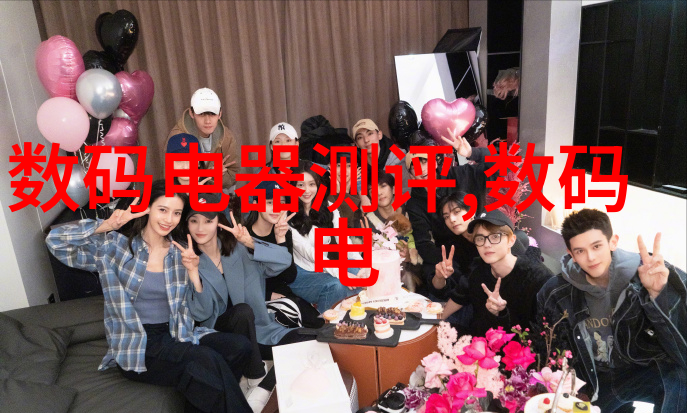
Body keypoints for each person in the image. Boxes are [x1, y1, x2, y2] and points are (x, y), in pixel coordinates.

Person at [46, 180, 251, 413]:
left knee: (240, 347)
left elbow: (201, 312)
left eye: (176, 213)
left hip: (177, 332)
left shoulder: (180, 252)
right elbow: (56, 241)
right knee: (205, 359)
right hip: (139, 342)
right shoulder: (116, 248)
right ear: (148, 208)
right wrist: (106, 225)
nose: (169, 219)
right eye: (162, 209)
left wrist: (194, 273)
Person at [537, 209, 686, 412]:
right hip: (594, 383)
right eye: (580, 251)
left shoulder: (650, 274)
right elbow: (548, 348)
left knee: (681, 377)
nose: (591, 257)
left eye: (597, 246)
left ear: (613, 242)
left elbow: (681, 350)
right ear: (571, 254)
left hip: (640, 372)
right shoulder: (555, 292)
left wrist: (657, 294)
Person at [184, 193, 312, 412]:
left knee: (307, 338)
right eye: (193, 220)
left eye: (208, 220)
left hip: (258, 330)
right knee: (242, 312)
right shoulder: (187, 259)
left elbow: (283, 262)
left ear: (219, 222)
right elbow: (201, 313)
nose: (200, 228)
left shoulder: (238, 250)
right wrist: (194, 273)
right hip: (220, 334)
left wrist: (250, 242)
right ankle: (255, 376)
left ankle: (262, 389)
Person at [441, 209, 552, 337]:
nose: (487, 244)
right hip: (483, 343)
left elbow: (546, 334)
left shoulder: (538, 278)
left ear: (511, 240)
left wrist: (501, 313)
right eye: (480, 238)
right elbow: (477, 323)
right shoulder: (478, 272)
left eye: (495, 237)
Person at [406, 130, 494, 286]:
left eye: (425, 162)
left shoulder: (458, 174)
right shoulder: (415, 203)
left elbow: (499, 166)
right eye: (416, 166)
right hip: (448, 252)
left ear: (434, 162)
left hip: (479, 239)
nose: (422, 169)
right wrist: (448, 263)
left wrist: (472, 153)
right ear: (411, 175)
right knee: (433, 273)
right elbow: (423, 242)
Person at [289, 161, 363, 311]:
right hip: (303, 272)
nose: (306, 190)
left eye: (311, 184)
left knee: (360, 274)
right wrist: (340, 273)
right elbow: (310, 253)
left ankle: (353, 316)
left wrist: (362, 265)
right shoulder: (288, 216)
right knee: (337, 285)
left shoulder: (329, 207)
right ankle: (325, 321)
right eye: (300, 185)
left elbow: (344, 240)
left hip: (327, 265)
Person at [166, 88, 239, 190]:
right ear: (191, 113)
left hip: (215, 192)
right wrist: (207, 175)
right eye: (201, 114)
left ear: (220, 114)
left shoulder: (226, 137)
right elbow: (168, 180)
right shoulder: (177, 139)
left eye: (212, 114)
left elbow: (233, 175)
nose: (207, 121)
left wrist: (215, 177)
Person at [351, 118, 409, 201]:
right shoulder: (354, 163)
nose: (366, 140)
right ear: (356, 144)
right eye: (360, 137)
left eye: (370, 133)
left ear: (379, 135)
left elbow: (406, 192)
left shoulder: (398, 155)